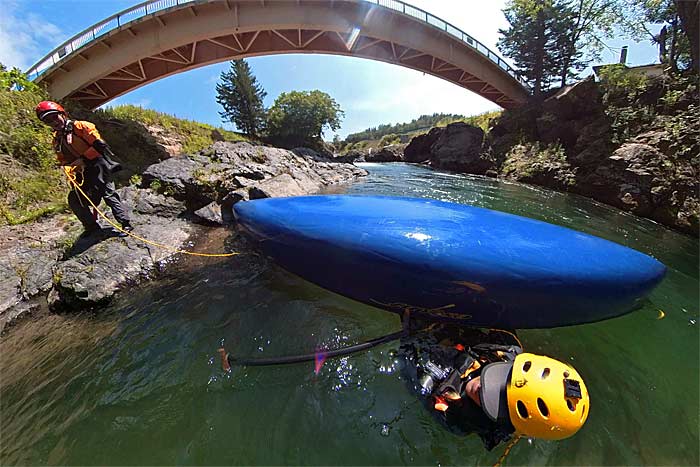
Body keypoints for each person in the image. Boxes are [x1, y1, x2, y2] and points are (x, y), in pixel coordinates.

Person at [399, 321, 589, 450]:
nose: (483, 387)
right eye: (503, 377)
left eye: (499, 401)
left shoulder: (456, 416)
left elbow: (408, 357)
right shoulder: (506, 346)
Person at [35, 101, 133, 235]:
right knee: (75, 198)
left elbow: (100, 145)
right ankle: (91, 227)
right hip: (82, 172)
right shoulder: (57, 140)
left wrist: (83, 159)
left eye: (54, 117)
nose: (53, 122)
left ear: (62, 114)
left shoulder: (81, 126)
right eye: (48, 120)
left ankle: (125, 223)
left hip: (99, 165)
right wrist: (69, 168)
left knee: (108, 193)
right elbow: (63, 160)